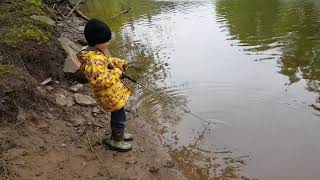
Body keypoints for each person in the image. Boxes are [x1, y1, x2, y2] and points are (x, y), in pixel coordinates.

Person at [77, 18, 133, 152]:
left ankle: (118, 134)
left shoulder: (96, 52)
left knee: (119, 115)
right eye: (106, 41)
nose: (108, 43)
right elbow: (100, 80)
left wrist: (119, 63)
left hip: (113, 94)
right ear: (97, 42)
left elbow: (107, 61)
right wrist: (117, 73)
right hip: (109, 95)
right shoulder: (93, 60)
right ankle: (116, 141)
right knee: (119, 117)